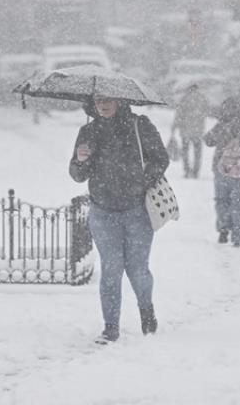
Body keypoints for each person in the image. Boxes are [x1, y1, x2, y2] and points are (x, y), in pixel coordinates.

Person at [69, 96, 169, 343]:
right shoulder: (88, 131)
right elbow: (77, 175)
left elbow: (161, 159)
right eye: (99, 100)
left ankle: (147, 311)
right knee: (111, 269)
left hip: (137, 211)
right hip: (103, 212)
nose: (103, 104)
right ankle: (110, 327)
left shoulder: (139, 125)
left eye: (108, 100)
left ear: (119, 100)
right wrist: (80, 161)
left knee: (137, 269)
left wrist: (140, 181)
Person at [204, 98, 240, 247]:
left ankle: (223, 229)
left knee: (222, 200)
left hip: (222, 170)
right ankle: (239, 235)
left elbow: (208, 141)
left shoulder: (220, 127)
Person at [170, 84, 210, 179]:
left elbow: (178, 115)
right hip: (198, 131)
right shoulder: (203, 99)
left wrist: (174, 128)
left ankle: (187, 170)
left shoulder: (185, 99)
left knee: (185, 151)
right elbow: (206, 112)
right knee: (197, 152)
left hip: (185, 131)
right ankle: (196, 171)